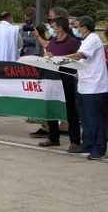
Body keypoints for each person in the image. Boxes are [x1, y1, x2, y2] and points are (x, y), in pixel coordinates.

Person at [49, 16, 108, 160]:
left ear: (84, 28)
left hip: (94, 87)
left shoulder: (92, 40)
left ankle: (99, 148)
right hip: (84, 85)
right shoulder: (85, 41)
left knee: (95, 119)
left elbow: (78, 56)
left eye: (76, 26)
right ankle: (87, 143)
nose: (74, 28)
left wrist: (57, 58)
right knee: (85, 118)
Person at [37, 16, 81, 149]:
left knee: (70, 109)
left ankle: (75, 140)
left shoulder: (73, 42)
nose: (52, 29)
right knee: (51, 107)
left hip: (66, 79)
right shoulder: (53, 41)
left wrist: (55, 57)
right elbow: (48, 54)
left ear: (60, 28)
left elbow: (77, 60)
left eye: (53, 27)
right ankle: (53, 137)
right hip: (51, 78)